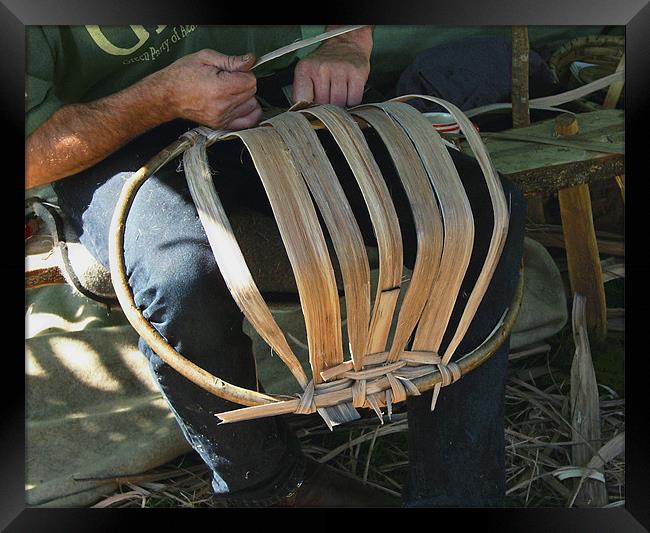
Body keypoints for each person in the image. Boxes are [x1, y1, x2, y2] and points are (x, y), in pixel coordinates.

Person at [25, 25, 525, 507]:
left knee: (478, 206)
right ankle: (268, 488)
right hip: (111, 137)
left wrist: (347, 42)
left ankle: (455, 490)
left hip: (273, 99)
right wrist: (159, 100)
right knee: (179, 275)